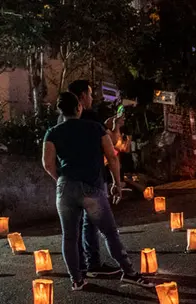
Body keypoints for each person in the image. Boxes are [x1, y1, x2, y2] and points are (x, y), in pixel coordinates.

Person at [42, 92, 152, 290]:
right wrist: (117, 183)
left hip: (66, 187)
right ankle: (129, 272)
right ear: (79, 108)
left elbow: (47, 163)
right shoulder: (95, 128)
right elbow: (112, 156)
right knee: (109, 232)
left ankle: (76, 280)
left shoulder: (52, 132)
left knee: (69, 236)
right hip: (92, 186)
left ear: (61, 111)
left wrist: (61, 180)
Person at [61, 80, 124, 279]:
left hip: (68, 182)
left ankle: (78, 268)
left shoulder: (60, 123)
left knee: (73, 227)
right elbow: (112, 146)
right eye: (89, 94)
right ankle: (94, 263)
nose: (91, 97)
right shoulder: (89, 119)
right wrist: (115, 127)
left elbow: (49, 160)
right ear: (80, 98)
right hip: (93, 179)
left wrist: (60, 178)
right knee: (93, 223)